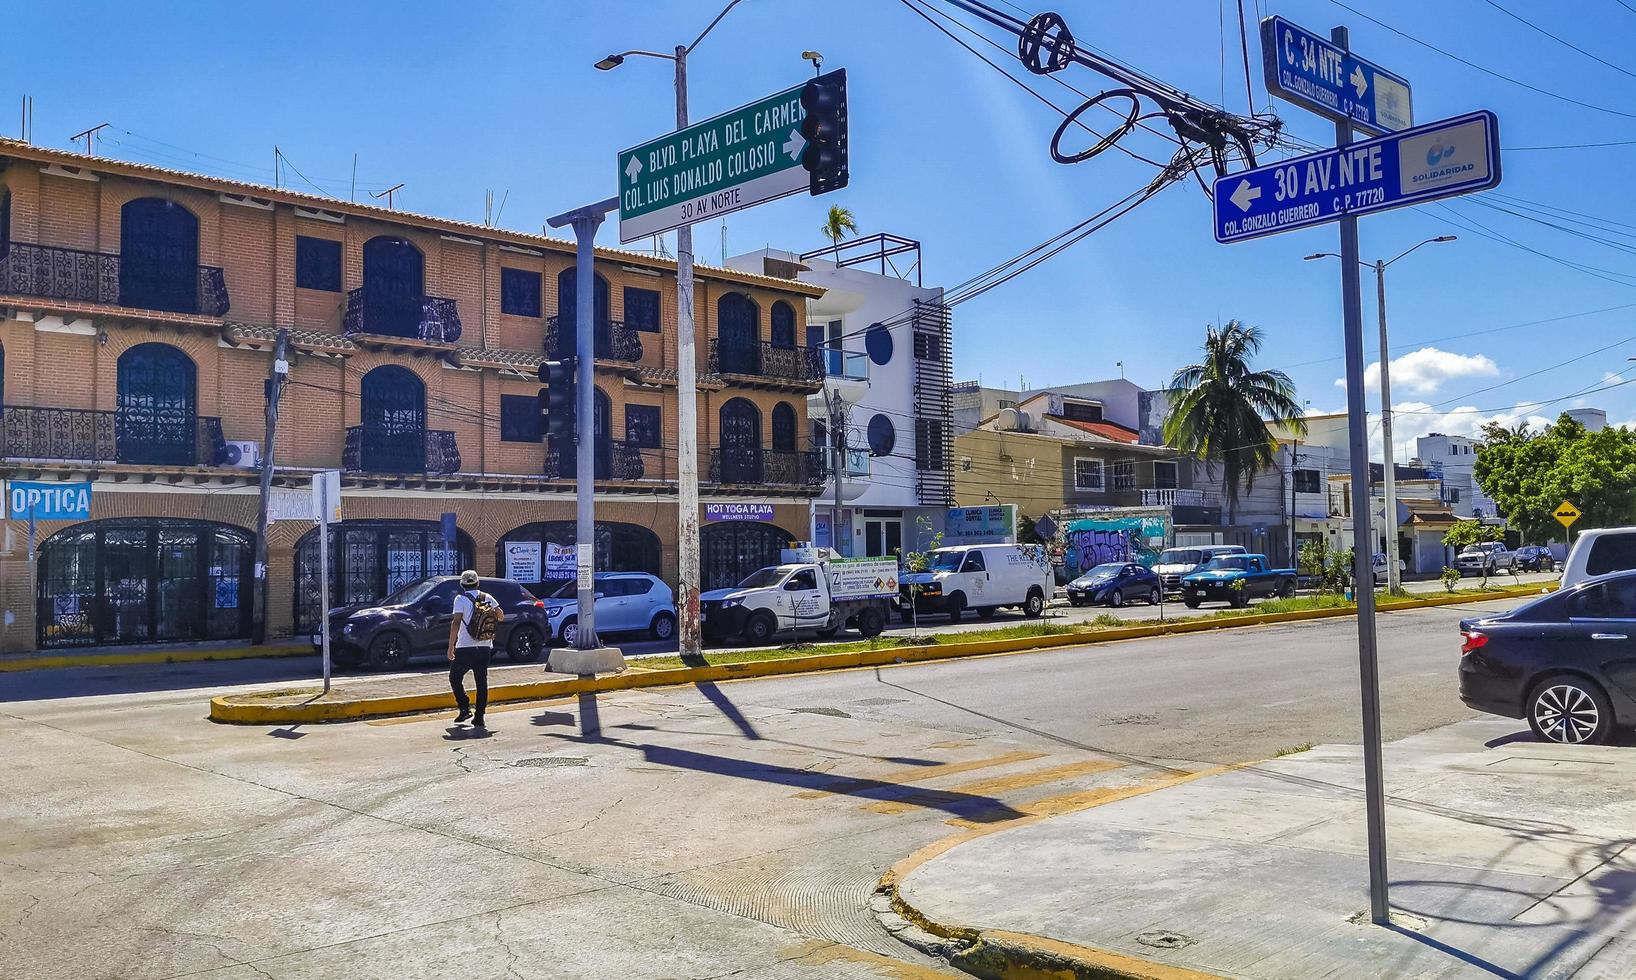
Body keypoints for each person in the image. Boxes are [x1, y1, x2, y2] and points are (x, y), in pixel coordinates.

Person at [448, 570, 500, 728]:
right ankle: (479, 717)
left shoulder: (460, 599)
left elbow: (456, 622)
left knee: (455, 677)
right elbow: (501, 615)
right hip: (485, 646)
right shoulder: (487, 597)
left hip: (465, 646)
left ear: (462, 585)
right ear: (478, 583)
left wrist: (451, 645)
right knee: (481, 682)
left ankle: (464, 707)